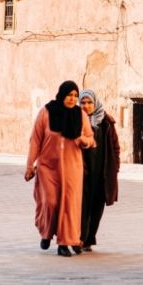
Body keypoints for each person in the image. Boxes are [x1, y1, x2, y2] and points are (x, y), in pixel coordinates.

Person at [24, 81, 94, 257]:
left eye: (75, 96)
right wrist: (30, 165)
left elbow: (90, 138)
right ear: (62, 95)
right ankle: (46, 233)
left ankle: (64, 242)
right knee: (51, 202)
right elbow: (36, 140)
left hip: (72, 168)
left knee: (69, 205)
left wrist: (83, 140)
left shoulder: (80, 115)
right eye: (69, 95)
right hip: (48, 167)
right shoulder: (46, 112)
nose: (72, 99)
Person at [78, 89, 120, 250]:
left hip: (102, 172)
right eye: (83, 102)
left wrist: (115, 167)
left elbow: (115, 147)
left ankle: (89, 239)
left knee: (97, 207)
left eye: (89, 102)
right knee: (82, 207)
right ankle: (80, 238)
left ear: (95, 103)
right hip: (82, 171)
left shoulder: (105, 122)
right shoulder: (75, 121)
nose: (86, 106)